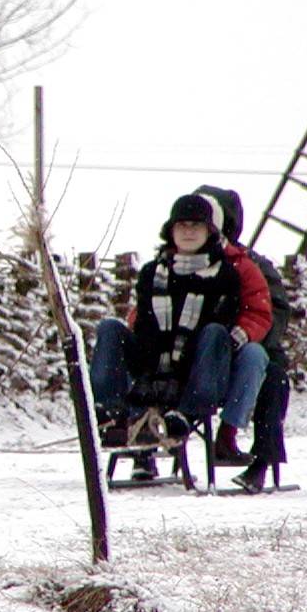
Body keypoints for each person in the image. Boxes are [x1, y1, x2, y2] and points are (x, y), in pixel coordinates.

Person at [90, 194, 252, 457]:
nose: (188, 232)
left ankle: (185, 414)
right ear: (171, 231)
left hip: (199, 372)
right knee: (110, 328)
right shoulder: (152, 273)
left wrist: (176, 378)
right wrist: (148, 378)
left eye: (196, 226)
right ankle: (110, 414)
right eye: (182, 226)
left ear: (209, 231)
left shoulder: (225, 275)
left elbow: (220, 327)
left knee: (214, 332)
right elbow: (145, 326)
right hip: (153, 365)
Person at [195, 183, 291, 493]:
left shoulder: (253, 265)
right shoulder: (181, 261)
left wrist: (246, 338)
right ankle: (145, 447)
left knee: (272, 377)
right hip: (198, 351)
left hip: (248, 346)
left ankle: (261, 462)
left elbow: (273, 312)